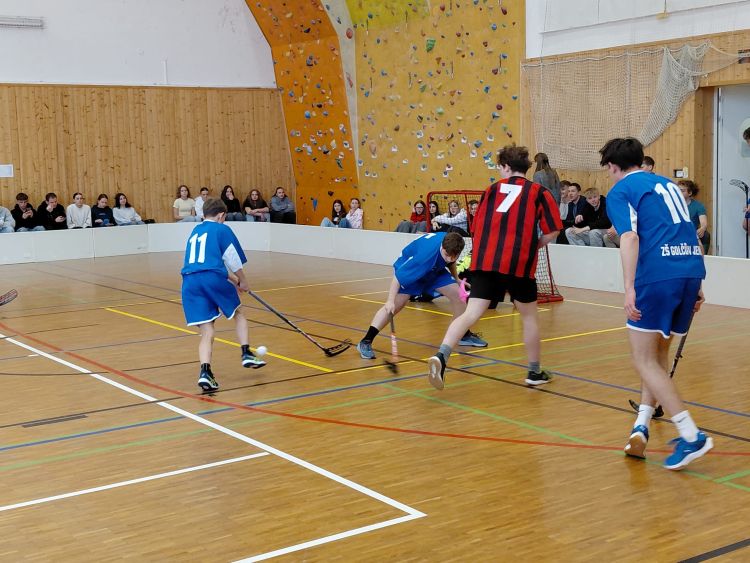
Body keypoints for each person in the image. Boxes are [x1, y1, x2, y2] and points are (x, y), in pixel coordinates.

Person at [601, 137, 712, 470]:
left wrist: (628, 287)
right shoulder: (667, 185)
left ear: (612, 166)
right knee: (657, 356)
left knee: (643, 359)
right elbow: (688, 231)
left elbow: (629, 237)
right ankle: (641, 427)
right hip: (689, 270)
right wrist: (696, 281)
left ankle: (691, 435)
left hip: (657, 277)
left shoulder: (621, 191)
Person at [427, 145, 562, 390]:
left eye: (500, 167)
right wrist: (533, 245)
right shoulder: (539, 192)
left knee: (470, 314)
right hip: (519, 265)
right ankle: (534, 372)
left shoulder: (490, 190)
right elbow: (553, 230)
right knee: (529, 317)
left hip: (485, 262)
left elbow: (477, 227)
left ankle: (442, 355)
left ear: (506, 167)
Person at [180, 197, 266, 391]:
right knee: (239, 313)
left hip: (190, 283)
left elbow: (205, 264)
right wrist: (242, 280)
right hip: (212, 278)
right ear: (221, 215)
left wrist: (234, 281)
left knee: (207, 331)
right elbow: (232, 258)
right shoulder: (222, 229)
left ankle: (206, 373)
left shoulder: (195, 231)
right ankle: (246, 353)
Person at [357, 232, 487, 360]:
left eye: (454, 257)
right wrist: (390, 300)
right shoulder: (424, 257)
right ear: (442, 247)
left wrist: (456, 278)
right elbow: (397, 278)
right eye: (447, 255)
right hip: (412, 269)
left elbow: (450, 262)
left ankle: (463, 334)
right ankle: (366, 341)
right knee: (396, 304)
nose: (449, 259)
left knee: (459, 296)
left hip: (434, 270)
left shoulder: (451, 243)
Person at [677, 180, 710, 254]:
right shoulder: (673, 205)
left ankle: (702, 257)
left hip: (692, 233)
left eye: (682, 191)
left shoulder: (698, 206)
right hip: (678, 232)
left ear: (690, 193)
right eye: (678, 190)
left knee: (705, 235)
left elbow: (703, 223)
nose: (679, 193)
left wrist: (702, 228)